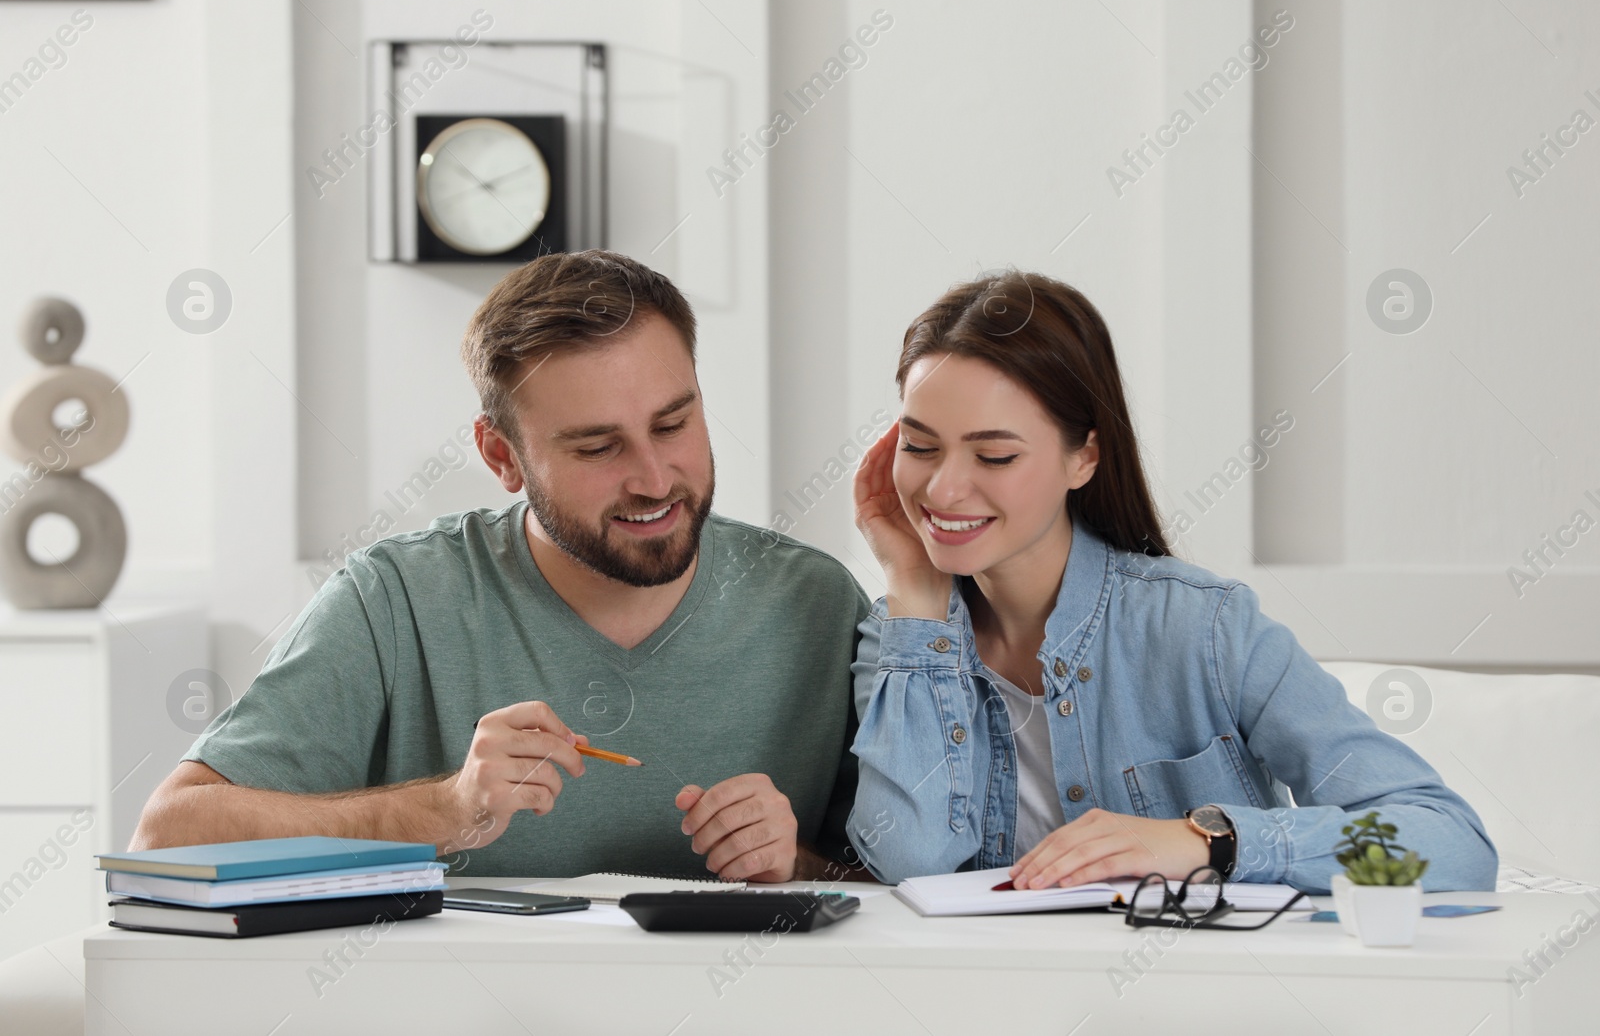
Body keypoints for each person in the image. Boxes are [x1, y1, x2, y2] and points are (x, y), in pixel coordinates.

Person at [132, 250, 868, 882]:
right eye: (597, 447)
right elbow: (169, 837)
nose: (653, 476)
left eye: (673, 423)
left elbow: (927, 891)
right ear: (501, 456)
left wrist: (799, 864)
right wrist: (445, 810)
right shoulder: (397, 601)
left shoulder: (819, 604)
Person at [845, 271, 1497, 894]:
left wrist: (1205, 841)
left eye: (994, 455)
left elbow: (1451, 842)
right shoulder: (901, 639)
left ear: (1084, 457)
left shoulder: (1206, 629)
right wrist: (915, 595)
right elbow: (910, 858)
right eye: (920, 446)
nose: (943, 487)